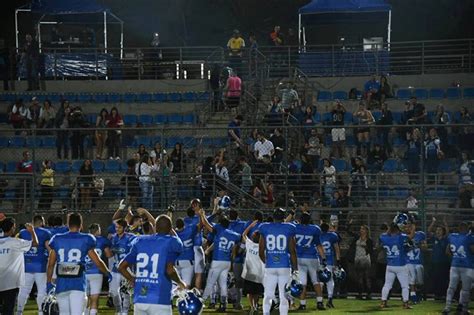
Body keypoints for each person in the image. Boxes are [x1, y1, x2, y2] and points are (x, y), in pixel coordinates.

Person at [118, 215, 186, 315]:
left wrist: (133, 279)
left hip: (139, 299)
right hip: (159, 299)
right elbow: (170, 270)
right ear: (171, 228)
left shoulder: (140, 241)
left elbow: (121, 267)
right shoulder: (172, 242)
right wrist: (180, 282)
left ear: (155, 227)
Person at [259, 208, 298, 315]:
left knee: (267, 294)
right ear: (283, 217)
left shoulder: (265, 227)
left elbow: (261, 251)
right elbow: (292, 251)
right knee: (283, 295)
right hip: (284, 265)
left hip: (270, 265)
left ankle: (266, 313)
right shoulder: (289, 228)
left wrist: (266, 262)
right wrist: (296, 269)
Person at [200, 212, 240, 312]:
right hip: (226, 262)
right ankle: (223, 305)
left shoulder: (219, 229)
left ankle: (201, 302)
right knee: (223, 284)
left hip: (218, 260)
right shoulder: (233, 234)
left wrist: (202, 214)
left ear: (220, 224)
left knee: (210, 283)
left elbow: (206, 224)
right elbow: (241, 240)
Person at [0, 218, 37, 315]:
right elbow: (35, 243)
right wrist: (32, 231)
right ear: (12, 228)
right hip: (11, 283)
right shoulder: (16, 242)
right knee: (8, 310)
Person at [16, 215, 50, 315]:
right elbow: (49, 249)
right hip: (40, 265)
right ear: (41, 222)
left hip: (27, 265)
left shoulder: (22, 232)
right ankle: (41, 312)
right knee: (41, 291)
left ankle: (19, 311)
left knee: (23, 291)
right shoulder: (45, 233)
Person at [295, 212, 326, 310]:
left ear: (300, 220)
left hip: (299, 257)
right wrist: (323, 258)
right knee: (315, 281)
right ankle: (320, 302)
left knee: (302, 282)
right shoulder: (315, 229)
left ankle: (303, 304)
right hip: (312, 257)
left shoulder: (295, 227)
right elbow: (319, 245)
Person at [442, 221, 474, 315]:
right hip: (467, 266)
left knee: (451, 287)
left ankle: (447, 307)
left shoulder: (452, 236)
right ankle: (463, 309)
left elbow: (447, 252)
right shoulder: (469, 238)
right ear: (466, 228)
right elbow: (473, 250)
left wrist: (456, 256)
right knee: (465, 289)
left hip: (455, 265)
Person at [379, 219, 411, 309]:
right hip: (401, 265)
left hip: (390, 265)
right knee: (405, 286)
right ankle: (405, 303)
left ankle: (383, 302)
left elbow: (385, 235)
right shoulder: (401, 237)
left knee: (387, 285)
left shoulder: (383, 237)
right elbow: (409, 238)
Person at [109, 218, 136, 315]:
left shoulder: (131, 238)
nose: (117, 229)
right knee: (113, 291)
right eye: (116, 227)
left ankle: (124, 311)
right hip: (115, 269)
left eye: (119, 227)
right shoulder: (113, 238)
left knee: (126, 291)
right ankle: (118, 310)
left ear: (124, 228)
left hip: (126, 268)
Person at [85, 223, 113, 315]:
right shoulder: (102, 240)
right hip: (97, 272)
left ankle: (85, 313)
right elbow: (109, 255)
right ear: (98, 230)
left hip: (84, 272)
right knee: (95, 297)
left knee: (86, 297)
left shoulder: (84, 239)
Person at [242, 220, 265, 315]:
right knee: (256, 293)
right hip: (260, 274)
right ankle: (255, 306)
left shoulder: (249, 244)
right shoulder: (264, 248)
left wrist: (250, 226)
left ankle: (253, 307)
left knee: (249, 292)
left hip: (249, 273)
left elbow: (243, 234)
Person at [348, 224, 373, 300]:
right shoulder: (357, 238)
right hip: (357, 258)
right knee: (359, 277)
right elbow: (349, 232)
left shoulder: (369, 240)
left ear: (366, 231)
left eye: (363, 229)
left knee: (367, 277)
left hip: (365, 259)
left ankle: (368, 294)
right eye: (360, 229)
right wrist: (350, 224)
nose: (361, 230)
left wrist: (366, 247)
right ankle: (360, 293)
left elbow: (371, 251)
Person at [427, 217, 450, 300]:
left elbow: (448, 233)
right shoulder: (434, 238)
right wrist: (433, 222)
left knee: (443, 279)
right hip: (435, 262)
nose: (437, 231)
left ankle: (443, 294)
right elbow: (429, 231)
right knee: (435, 278)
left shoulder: (445, 239)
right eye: (437, 230)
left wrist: (445, 223)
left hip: (443, 262)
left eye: (440, 230)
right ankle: (437, 294)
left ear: (443, 231)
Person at [320, 222, 341, 308]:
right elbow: (337, 249)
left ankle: (320, 300)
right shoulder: (333, 235)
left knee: (320, 281)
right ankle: (329, 299)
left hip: (320, 261)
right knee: (330, 280)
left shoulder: (318, 235)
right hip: (329, 261)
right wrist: (338, 260)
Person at [405, 220, 427, 303]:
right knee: (411, 280)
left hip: (418, 262)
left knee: (420, 282)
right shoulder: (403, 236)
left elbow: (425, 248)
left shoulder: (420, 234)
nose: (408, 228)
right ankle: (413, 296)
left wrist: (422, 245)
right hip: (408, 261)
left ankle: (418, 293)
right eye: (407, 226)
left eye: (410, 226)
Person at [175, 217, 199, 288]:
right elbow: (200, 225)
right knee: (186, 285)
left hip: (176, 261)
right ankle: (183, 298)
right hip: (188, 261)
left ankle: (174, 297)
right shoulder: (190, 230)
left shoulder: (174, 233)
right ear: (184, 224)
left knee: (175, 284)